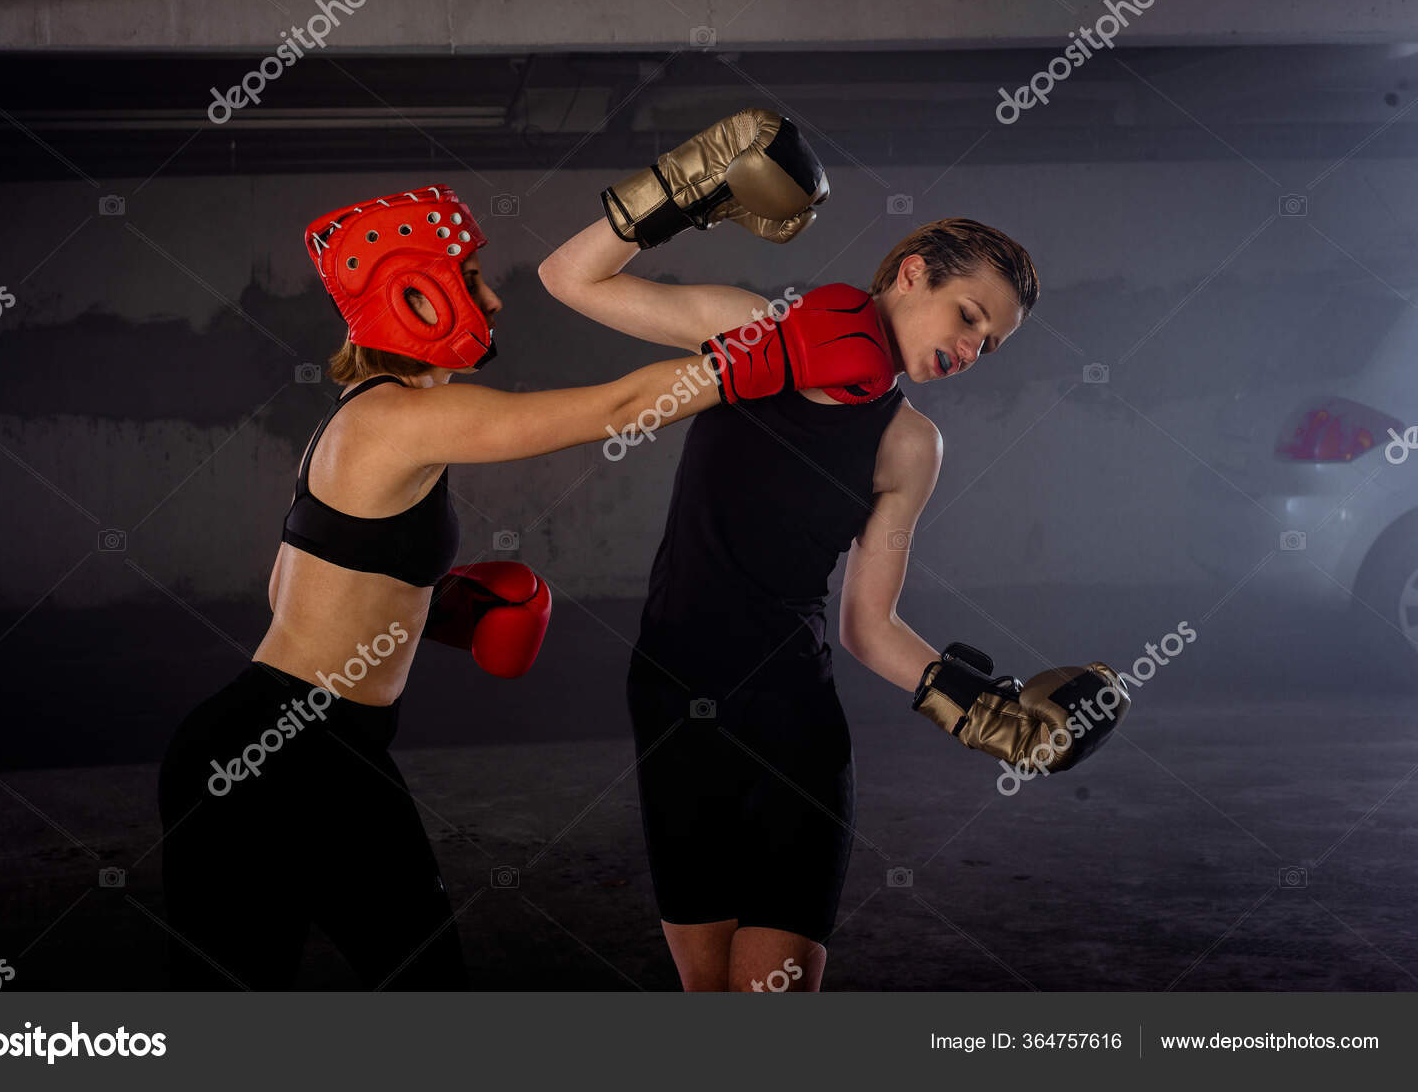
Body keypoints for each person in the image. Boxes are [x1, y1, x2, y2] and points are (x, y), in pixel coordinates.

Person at [156, 179, 891, 991]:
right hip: (282, 751)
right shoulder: (399, 419)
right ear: (414, 294)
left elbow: (287, 591)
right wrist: (777, 353)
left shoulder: (357, 415)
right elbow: (615, 408)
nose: (493, 300)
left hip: (310, 747)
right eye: (471, 279)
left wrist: (438, 606)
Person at [541, 108, 1126, 992]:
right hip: (673, 697)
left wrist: (982, 713)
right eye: (969, 316)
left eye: (990, 343)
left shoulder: (910, 445)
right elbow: (569, 277)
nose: (972, 348)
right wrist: (681, 185)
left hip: (793, 716)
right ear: (912, 272)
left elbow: (868, 626)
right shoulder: (752, 328)